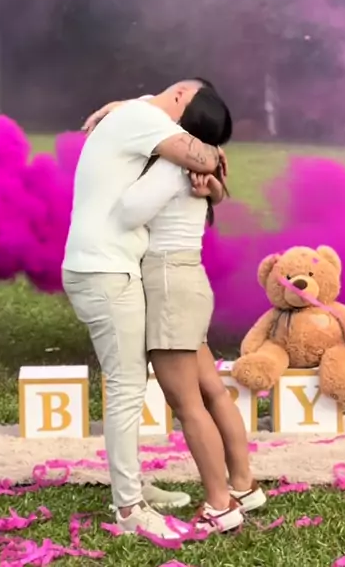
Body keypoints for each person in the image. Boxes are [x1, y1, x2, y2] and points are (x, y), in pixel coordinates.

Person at [62, 79, 226, 538]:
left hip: (106, 268)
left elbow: (152, 118)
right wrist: (210, 156)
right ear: (181, 97)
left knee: (129, 386)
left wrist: (122, 103)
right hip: (105, 271)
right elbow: (201, 158)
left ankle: (131, 485)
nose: (181, 136)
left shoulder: (136, 113)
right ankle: (129, 508)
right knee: (127, 389)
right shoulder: (143, 119)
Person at [117, 87, 266, 535]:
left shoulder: (174, 163)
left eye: (177, 103)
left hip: (169, 283)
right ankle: (243, 485)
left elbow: (128, 212)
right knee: (212, 392)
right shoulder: (202, 163)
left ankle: (220, 504)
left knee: (187, 403)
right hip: (189, 281)